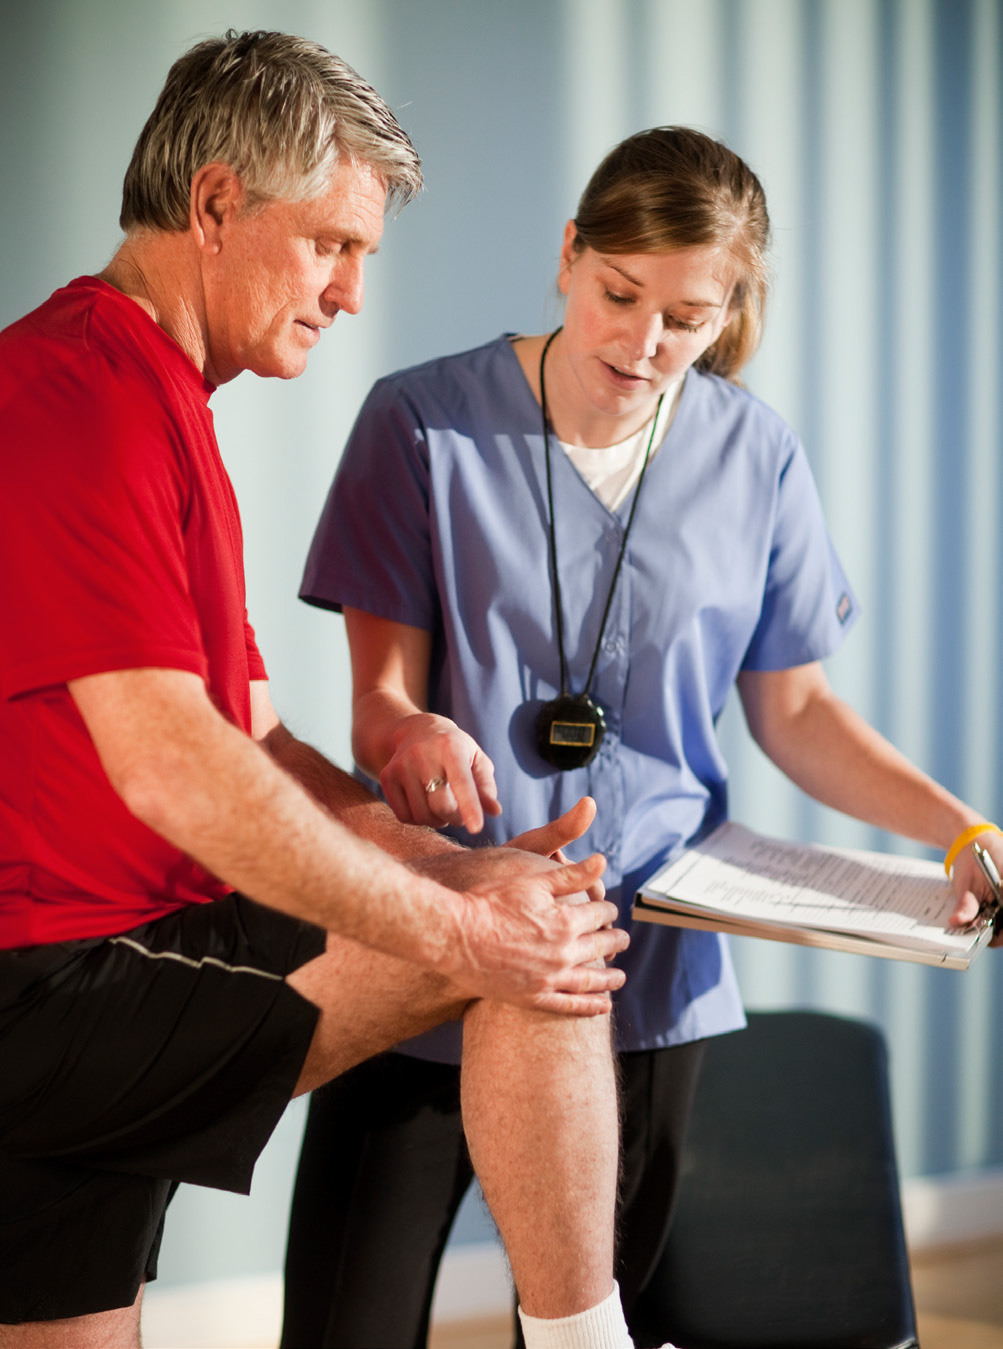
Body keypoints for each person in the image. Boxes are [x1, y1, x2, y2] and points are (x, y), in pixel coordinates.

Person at [0, 32, 695, 1349]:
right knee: (531, 950)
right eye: (330, 243)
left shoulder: (150, 395)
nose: (349, 293)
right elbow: (175, 772)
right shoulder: (78, 402)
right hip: (61, 984)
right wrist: (460, 925)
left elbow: (249, 734)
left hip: (88, 955)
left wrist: (434, 861)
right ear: (214, 204)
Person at [287, 125, 1003, 1349]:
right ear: (570, 255)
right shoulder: (418, 426)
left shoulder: (753, 453)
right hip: (430, 933)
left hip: (641, 974)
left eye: (686, 316)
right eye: (620, 294)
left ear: (726, 312)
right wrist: (410, 735)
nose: (643, 342)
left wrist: (963, 828)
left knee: (575, 1324)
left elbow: (799, 711)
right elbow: (378, 701)